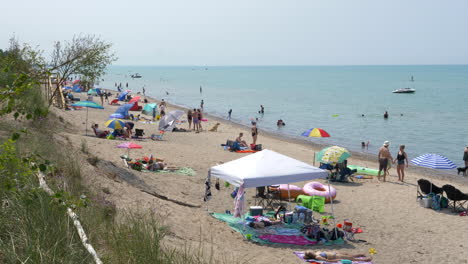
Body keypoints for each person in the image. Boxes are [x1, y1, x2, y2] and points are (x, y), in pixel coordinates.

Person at [304, 251, 372, 262]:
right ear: (311, 254)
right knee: (351, 258)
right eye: (310, 252)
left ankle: (360, 255)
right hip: (335, 257)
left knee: (349, 255)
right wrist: (336, 261)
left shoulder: (317, 253)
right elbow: (328, 261)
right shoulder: (317, 257)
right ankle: (365, 260)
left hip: (334, 253)